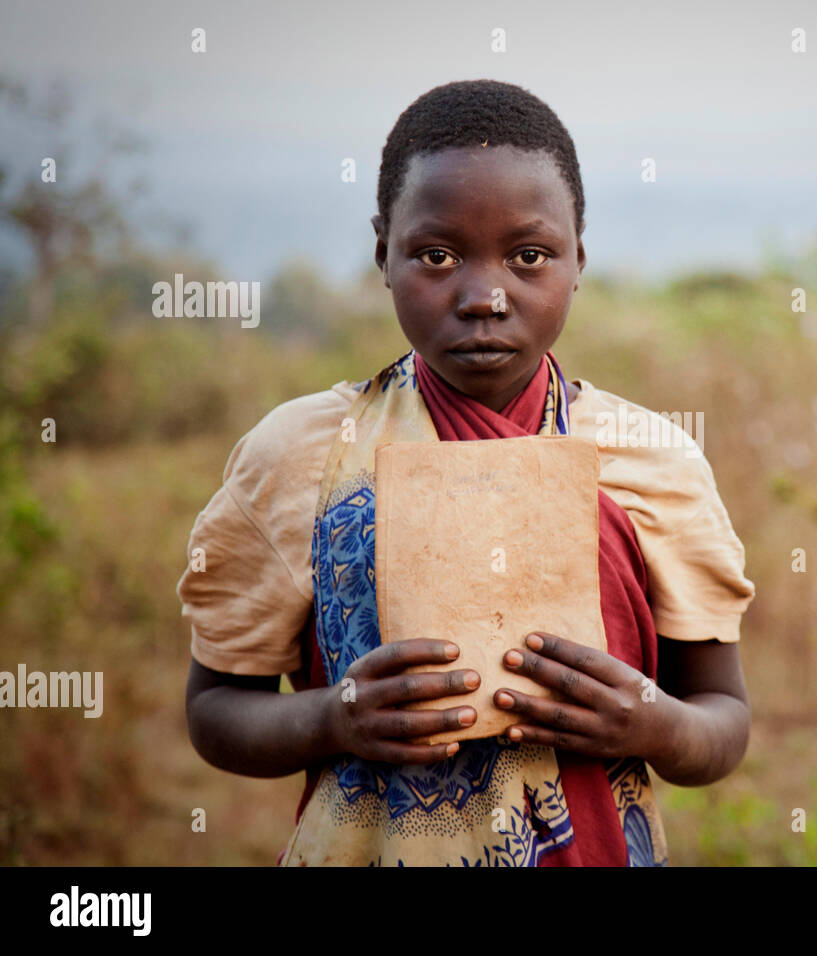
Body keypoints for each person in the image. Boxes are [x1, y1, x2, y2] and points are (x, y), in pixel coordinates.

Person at [178, 80, 755, 866]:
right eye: (438, 255)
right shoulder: (304, 456)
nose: (485, 296)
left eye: (529, 256)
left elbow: (723, 719)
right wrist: (334, 719)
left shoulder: (651, 464)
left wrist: (651, 724)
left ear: (578, 257)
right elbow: (217, 709)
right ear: (383, 252)